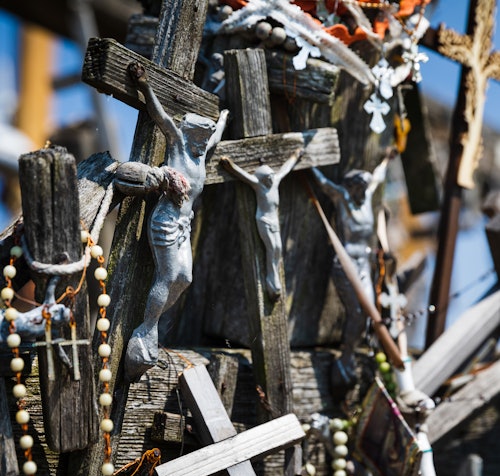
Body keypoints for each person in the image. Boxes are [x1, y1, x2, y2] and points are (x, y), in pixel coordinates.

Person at [121, 62, 229, 382]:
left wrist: (223, 118)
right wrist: (144, 85)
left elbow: (216, 136)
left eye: (204, 140)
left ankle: (152, 323)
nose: (200, 145)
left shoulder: (199, 154)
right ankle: (147, 329)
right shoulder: (180, 144)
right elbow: (161, 117)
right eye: (199, 139)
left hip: (185, 223)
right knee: (168, 275)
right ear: (189, 134)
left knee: (185, 277)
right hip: (167, 219)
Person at [312, 152, 392, 395]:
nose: (363, 191)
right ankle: (345, 357)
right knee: (356, 312)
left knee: (369, 314)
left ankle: (348, 356)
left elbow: (378, 177)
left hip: (363, 263)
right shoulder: (343, 197)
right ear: (352, 186)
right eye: (360, 187)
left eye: (365, 187)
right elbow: (323, 184)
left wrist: (387, 160)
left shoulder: (367, 198)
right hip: (344, 262)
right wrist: (308, 163)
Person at [220, 148, 303, 301]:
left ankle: (274, 277)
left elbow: (285, 169)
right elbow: (243, 175)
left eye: (272, 176)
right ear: (263, 179)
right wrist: (230, 165)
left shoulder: (275, 182)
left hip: (274, 221)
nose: (271, 179)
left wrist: (295, 156)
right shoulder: (259, 186)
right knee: (271, 248)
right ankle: (272, 282)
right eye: (268, 178)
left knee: (278, 249)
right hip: (264, 220)